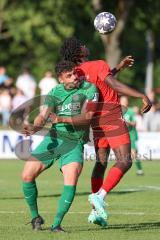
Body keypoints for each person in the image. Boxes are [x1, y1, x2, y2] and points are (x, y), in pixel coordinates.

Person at [55, 37, 151, 226]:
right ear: (78, 52)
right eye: (81, 44)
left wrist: (118, 68)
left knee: (100, 163)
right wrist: (141, 95)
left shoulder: (78, 72)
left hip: (96, 121)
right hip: (112, 115)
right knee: (125, 161)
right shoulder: (98, 63)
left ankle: (95, 212)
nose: (85, 45)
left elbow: (102, 80)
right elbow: (112, 85)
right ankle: (100, 196)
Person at [21, 60, 99, 232]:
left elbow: (89, 117)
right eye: (69, 76)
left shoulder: (89, 89)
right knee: (27, 175)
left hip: (74, 142)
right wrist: (35, 127)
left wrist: (61, 119)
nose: (74, 77)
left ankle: (56, 225)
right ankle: (35, 217)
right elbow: (43, 115)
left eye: (75, 73)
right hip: (53, 139)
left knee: (71, 181)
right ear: (61, 79)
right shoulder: (55, 91)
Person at [120, 96, 144, 175]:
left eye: (126, 100)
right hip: (122, 135)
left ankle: (139, 169)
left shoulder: (130, 111)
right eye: (123, 101)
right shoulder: (118, 111)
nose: (125, 102)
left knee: (133, 153)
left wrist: (127, 122)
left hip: (131, 135)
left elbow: (134, 123)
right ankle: (123, 170)